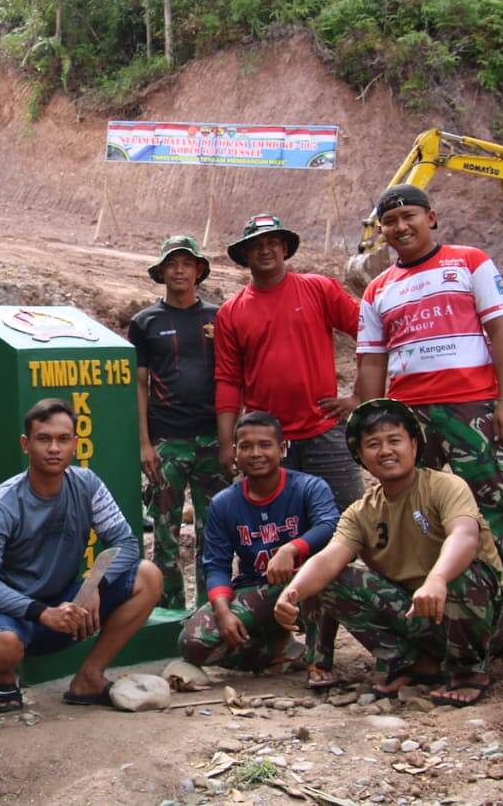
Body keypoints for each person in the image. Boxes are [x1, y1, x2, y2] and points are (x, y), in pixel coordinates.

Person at [355, 184, 503, 655]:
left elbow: (500, 333)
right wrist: (371, 426)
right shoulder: (377, 289)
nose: (400, 227)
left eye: (409, 216)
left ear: (431, 217)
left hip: (473, 411)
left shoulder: (470, 262)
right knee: (417, 521)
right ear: (382, 231)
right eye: (390, 221)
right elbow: (372, 361)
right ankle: (439, 627)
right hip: (410, 422)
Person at [274, 399, 503, 707]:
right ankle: (411, 662)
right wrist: (292, 593)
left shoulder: (445, 486)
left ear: (414, 445)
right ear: (361, 456)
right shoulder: (361, 512)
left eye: (394, 440)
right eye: (373, 444)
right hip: (420, 616)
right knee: (333, 581)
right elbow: (329, 557)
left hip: (487, 621)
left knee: (463, 572)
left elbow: (464, 536)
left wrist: (437, 578)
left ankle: (469, 671)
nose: (385, 451)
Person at [0, 399, 163, 712]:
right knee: (2, 646)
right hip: (11, 615)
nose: (54, 448)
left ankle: (89, 677)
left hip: (67, 606)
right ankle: (4, 680)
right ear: (26, 445)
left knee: (148, 576)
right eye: (44, 439)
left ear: (75, 443)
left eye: (63, 439)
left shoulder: (87, 485)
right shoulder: (0, 504)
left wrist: (94, 584)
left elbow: (125, 542)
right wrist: (42, 612)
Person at [179, 411, 342, 688]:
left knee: (326, 579)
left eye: (265, 445)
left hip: (305, 587)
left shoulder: (310, 487)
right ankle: (277, 651)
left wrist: (291, 549)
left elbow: (330, 524)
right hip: (257, 589)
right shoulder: (223, 503)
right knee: (193, 643)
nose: (256, 453)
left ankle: (319, 662)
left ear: (282, 448)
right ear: (235, 452)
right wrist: (223, 612)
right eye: (246, 446)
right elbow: (216, 565)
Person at [214, 214, 365, 512]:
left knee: (349, 519)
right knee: (276, 523)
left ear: (285, 248)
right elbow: (228, 381)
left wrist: (358, 397)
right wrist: (226, 442)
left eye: (272, 242)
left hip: (324, 430)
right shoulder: (230, 313)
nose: (265, 250)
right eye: (256, 245)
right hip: (265, 440)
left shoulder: (319, 289)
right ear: (245, 254)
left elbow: (369, 335)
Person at [128, 235, 229, 609]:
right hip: (167, 442)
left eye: (187, 263)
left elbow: (232, 378)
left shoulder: (219, 318)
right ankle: (169, 613)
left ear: (199, 270)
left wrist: (230, 438)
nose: (180, 270)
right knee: (165, 535)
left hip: (212, 441)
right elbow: (139, 386)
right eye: (172, 264)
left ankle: (209, 611)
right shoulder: (145, 323)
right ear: (161, 271)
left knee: (214, 532)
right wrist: (144, 443)